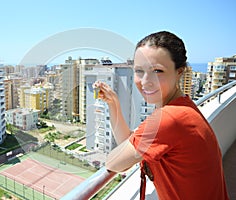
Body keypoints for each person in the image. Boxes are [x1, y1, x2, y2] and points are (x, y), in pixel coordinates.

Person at [93, 31, 229, 200]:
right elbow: (131, 145)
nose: (145, 81)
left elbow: (114, 163)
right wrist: (113, 103)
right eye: (139, 71)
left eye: (157, 71)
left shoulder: (169, 119)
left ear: (180, 72)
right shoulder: (184, 107)